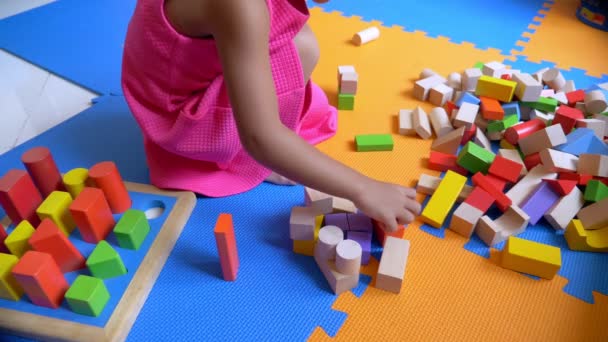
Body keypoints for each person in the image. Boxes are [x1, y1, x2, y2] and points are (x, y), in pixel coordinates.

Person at [121, 0, 421, 232]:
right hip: (179, 120)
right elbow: (260, 137)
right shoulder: (240, 7)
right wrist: (363, 188)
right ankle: (251, 161)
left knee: (299, 42)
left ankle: (275, 144)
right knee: (301, 50)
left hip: (169, 84)